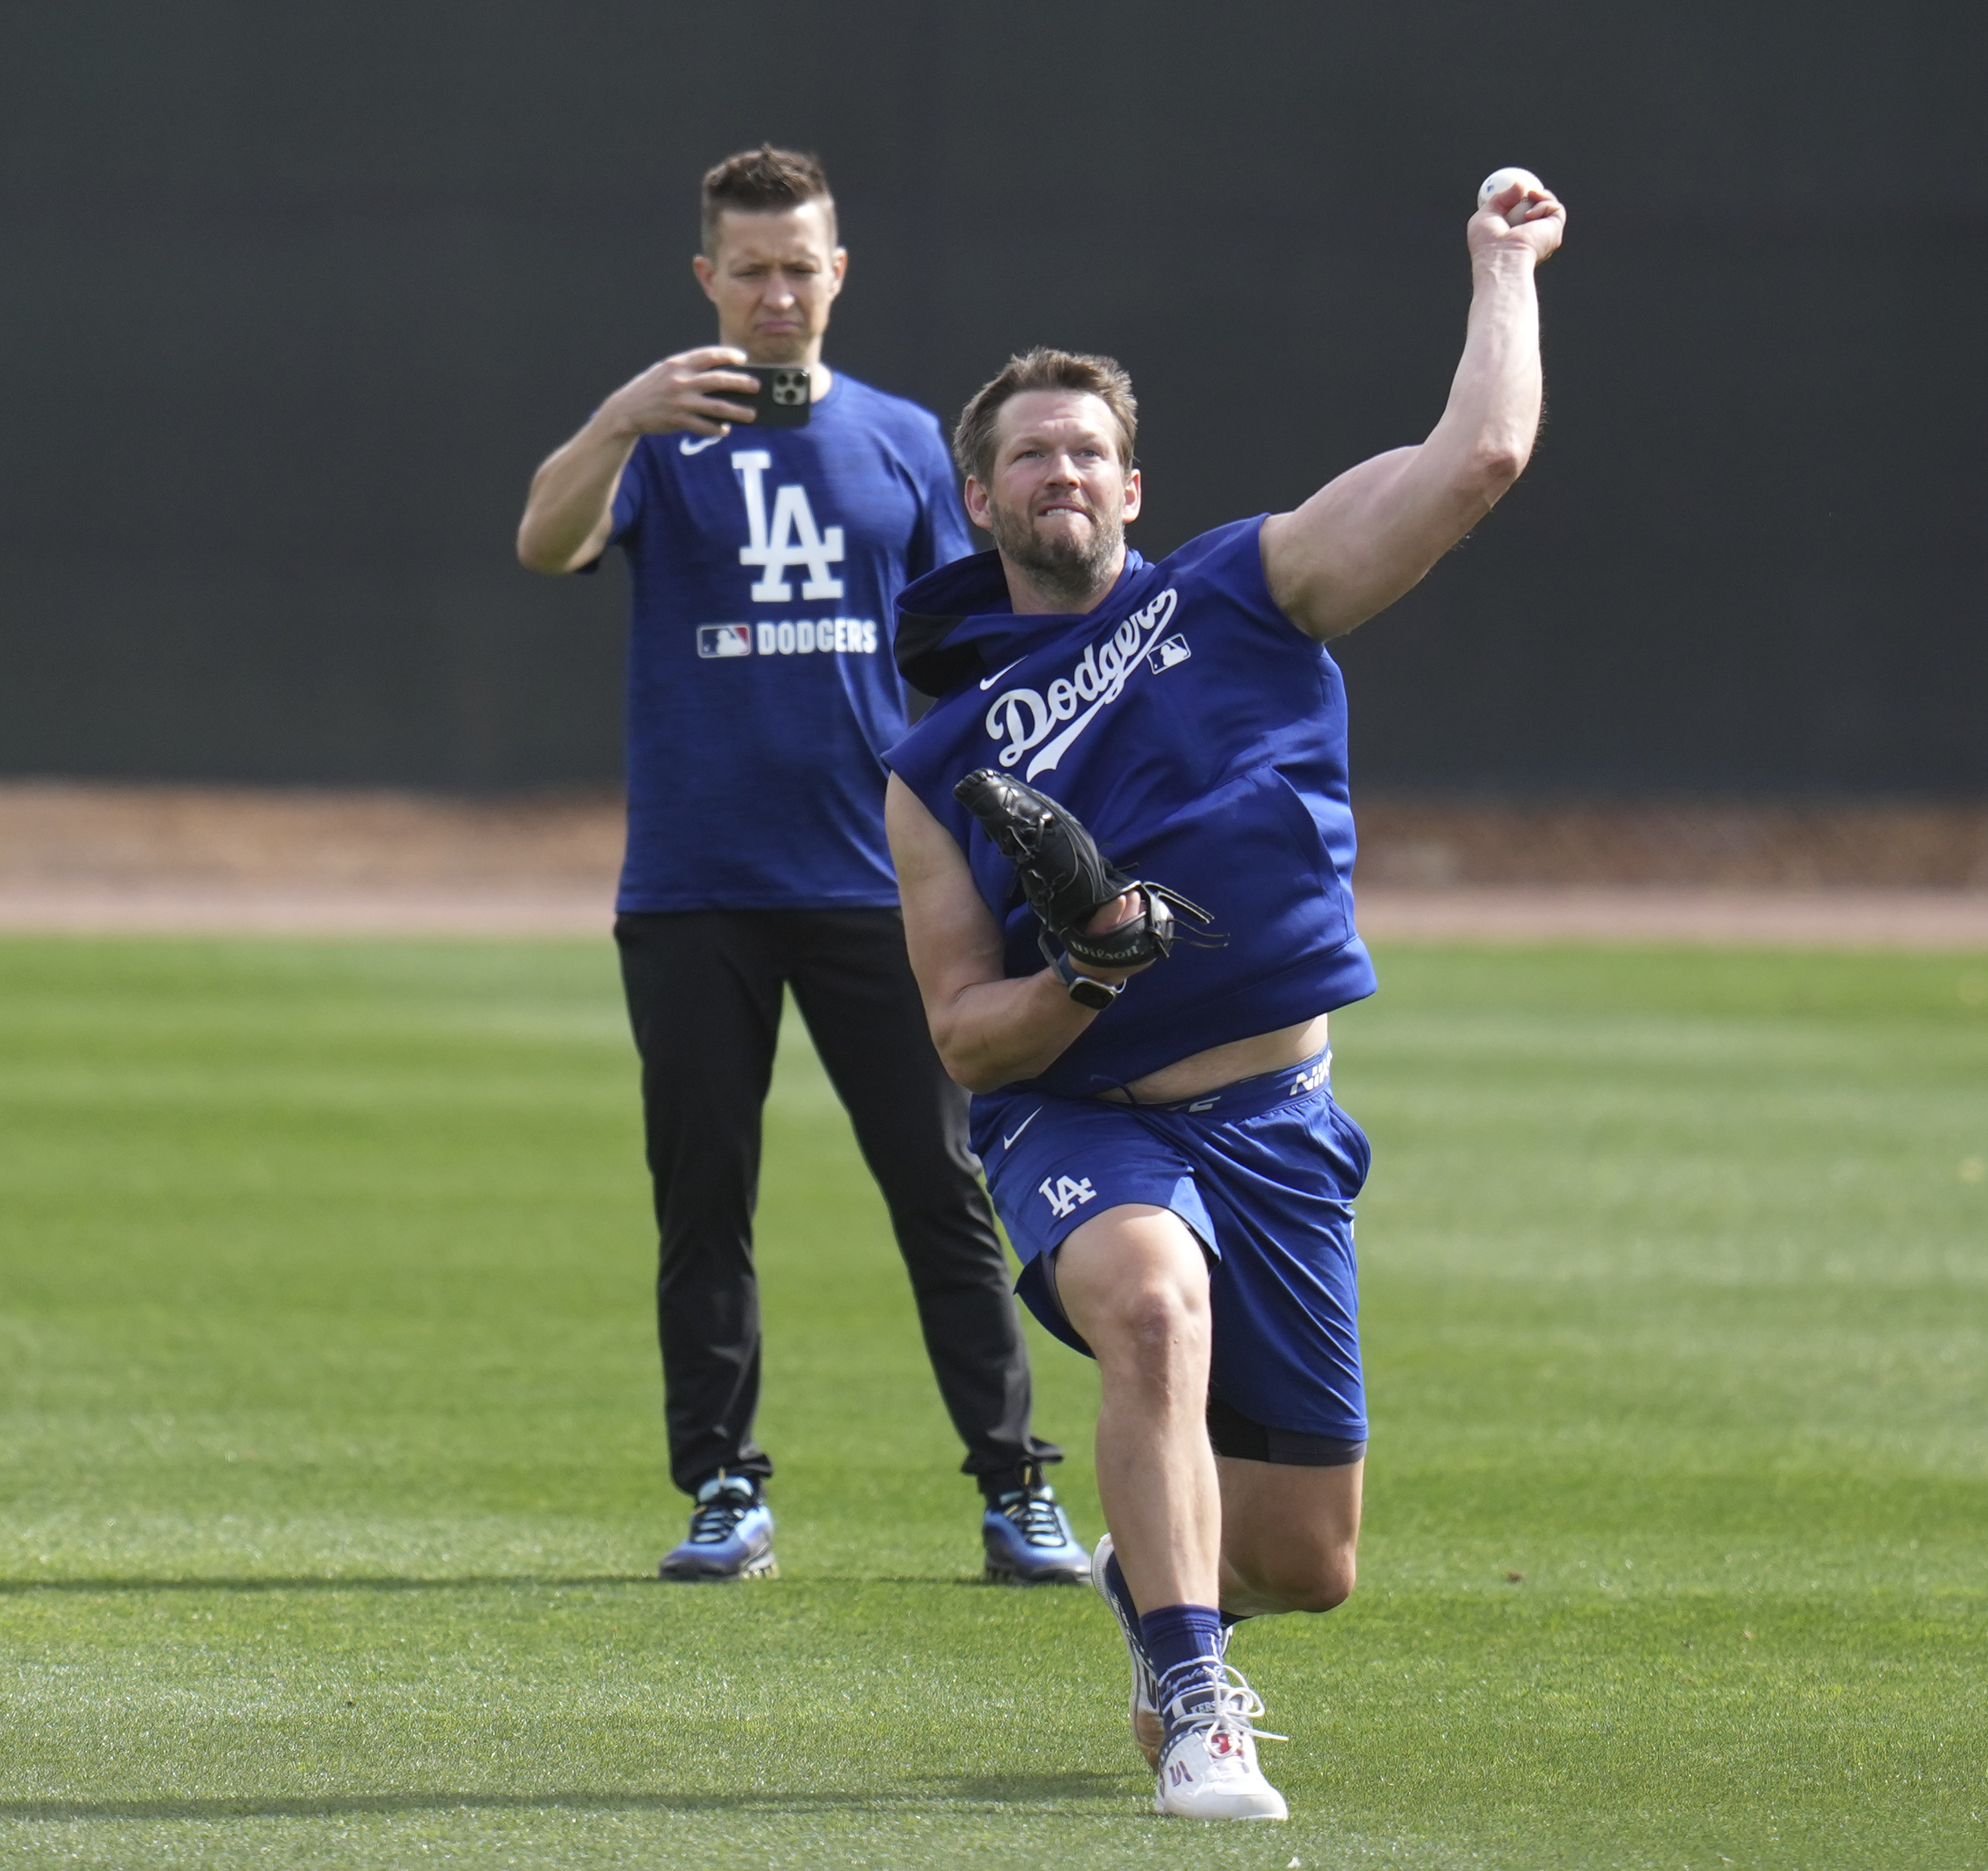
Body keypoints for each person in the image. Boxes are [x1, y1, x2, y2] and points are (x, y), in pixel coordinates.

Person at [883, 170, 1566, 1819]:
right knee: (1149, 1307)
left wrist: (1499, 265)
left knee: (1307, 1561)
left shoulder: (1245, 587)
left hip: (1277, 1121)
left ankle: (1162, 1581)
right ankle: (1196, 1699)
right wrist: (1083, 972)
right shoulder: (939, 764)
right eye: (1029, 451)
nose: (1062, 468)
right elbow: (966, 1035)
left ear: (1134, 486)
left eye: (1087, 449)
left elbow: (1473, 460)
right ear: (979, 501)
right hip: (1085, 1115)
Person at [513, 145, 1084, 1588]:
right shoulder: (658, 439)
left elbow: (976, 640)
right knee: (705, 1196)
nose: (776, 293)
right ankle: (721, 1485)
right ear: (708, 279)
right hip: (696, 884)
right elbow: (542, 544)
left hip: (881, 883)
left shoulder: (896, 440)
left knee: (944, 1188)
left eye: (799, 264)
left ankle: (1016, 1486)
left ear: (840, 272)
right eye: (749, 268)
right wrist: (617, 417)